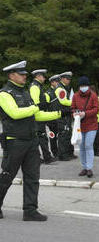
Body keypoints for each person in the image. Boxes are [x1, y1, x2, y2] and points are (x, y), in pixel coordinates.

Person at [0, 61, 70, 221]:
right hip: (14, 142)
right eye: (21, 74)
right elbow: (14, 113)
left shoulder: (25, 93)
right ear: (12, 75)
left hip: (31, 141)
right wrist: (35, 108)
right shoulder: (4, 94)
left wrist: (60, 113)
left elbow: (37, 116)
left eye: (25, 74)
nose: (25, 76)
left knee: (32, 177)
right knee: (7, 176)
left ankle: (30, 210)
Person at [71, 76, 99, 177]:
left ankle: (89, 168)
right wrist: (74, 113)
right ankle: (84, 167)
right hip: (80, 126)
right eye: (82, 85)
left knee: (88, 145)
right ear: (79, 86)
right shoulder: (75, 96)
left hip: (91, 125)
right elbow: (72, 108)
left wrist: (85, 114)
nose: (83, 87)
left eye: (85, 85)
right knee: (81, 147)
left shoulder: (93, 95)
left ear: (88, 86)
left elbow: (96, 109)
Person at [29, 69, 56, 164]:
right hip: (37, 115)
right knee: (42, 136)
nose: (44, 79)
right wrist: (43, 105)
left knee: (40, 137)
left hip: (39, 114)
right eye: (43, 76)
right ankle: (46, 157)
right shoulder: (35, 87)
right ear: (38, 76)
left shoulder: (37, 86)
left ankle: (38, 157)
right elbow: (35, 102)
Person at [55, 72, 77, 161]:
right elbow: (63, 101)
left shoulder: (65, 88)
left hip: (66, 114)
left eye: (69, 79)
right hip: (62, 115)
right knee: (63, 135)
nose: (69, 81)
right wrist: (75, 103)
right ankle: (62, 155)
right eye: (67, 79)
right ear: (62, 79)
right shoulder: (60, 89)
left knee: (68, 134)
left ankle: (69, 153)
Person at [46, 74, 61, 159]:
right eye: (56, 82)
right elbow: (46, 107)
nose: (58, 83)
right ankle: (55, 153)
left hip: (58, 116)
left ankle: (60, 151)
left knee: (60, 135)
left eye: (58, 82)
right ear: (52, 83)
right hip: (51, 118)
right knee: (53, 136)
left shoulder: (58, 91)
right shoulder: (48, 93)